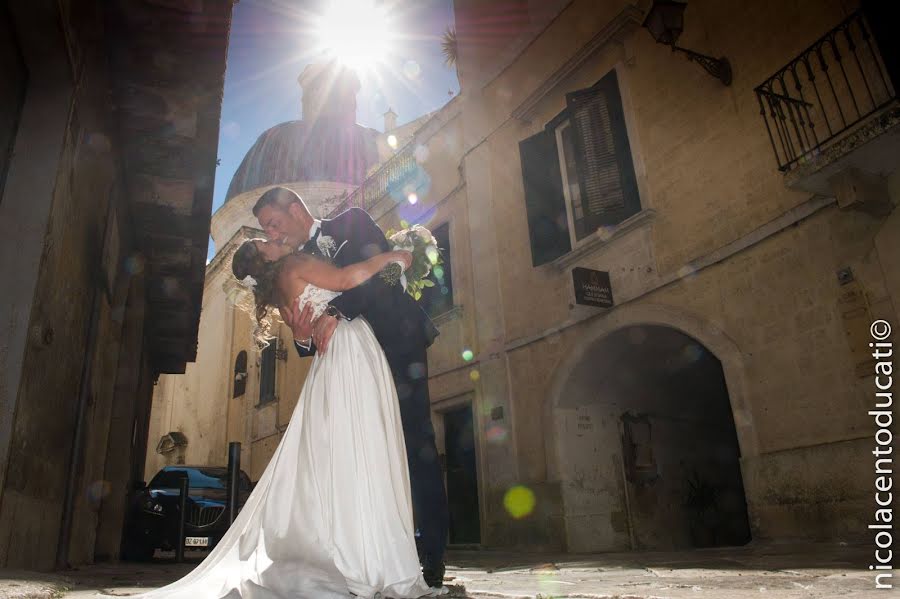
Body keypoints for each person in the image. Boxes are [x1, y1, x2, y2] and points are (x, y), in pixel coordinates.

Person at [114, 238, 438, 599]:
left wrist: (305, 335)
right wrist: (395, 256)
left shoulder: (280, 295)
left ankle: (357, 554)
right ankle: (370, 556)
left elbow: (304, 336)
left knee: (343, 452)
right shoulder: (295, 263)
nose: (274, 240)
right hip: (350, 351)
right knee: (365, 447)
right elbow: (347, 279)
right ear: (264, 257)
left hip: (327, 364)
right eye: (265, 240)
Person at [254, 187, 448, 589]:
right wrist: (303, 334)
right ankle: (365, 549)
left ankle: (431, 551)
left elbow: (383, 276)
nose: (272, 235)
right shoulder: (288, 266)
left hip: (396, 344)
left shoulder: (352, 222)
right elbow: (303, 337)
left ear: (295, 209)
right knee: (355, 452)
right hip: (348, 364)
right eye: (266, 231)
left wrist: (338, 312)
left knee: (415, 442)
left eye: (273, 224)